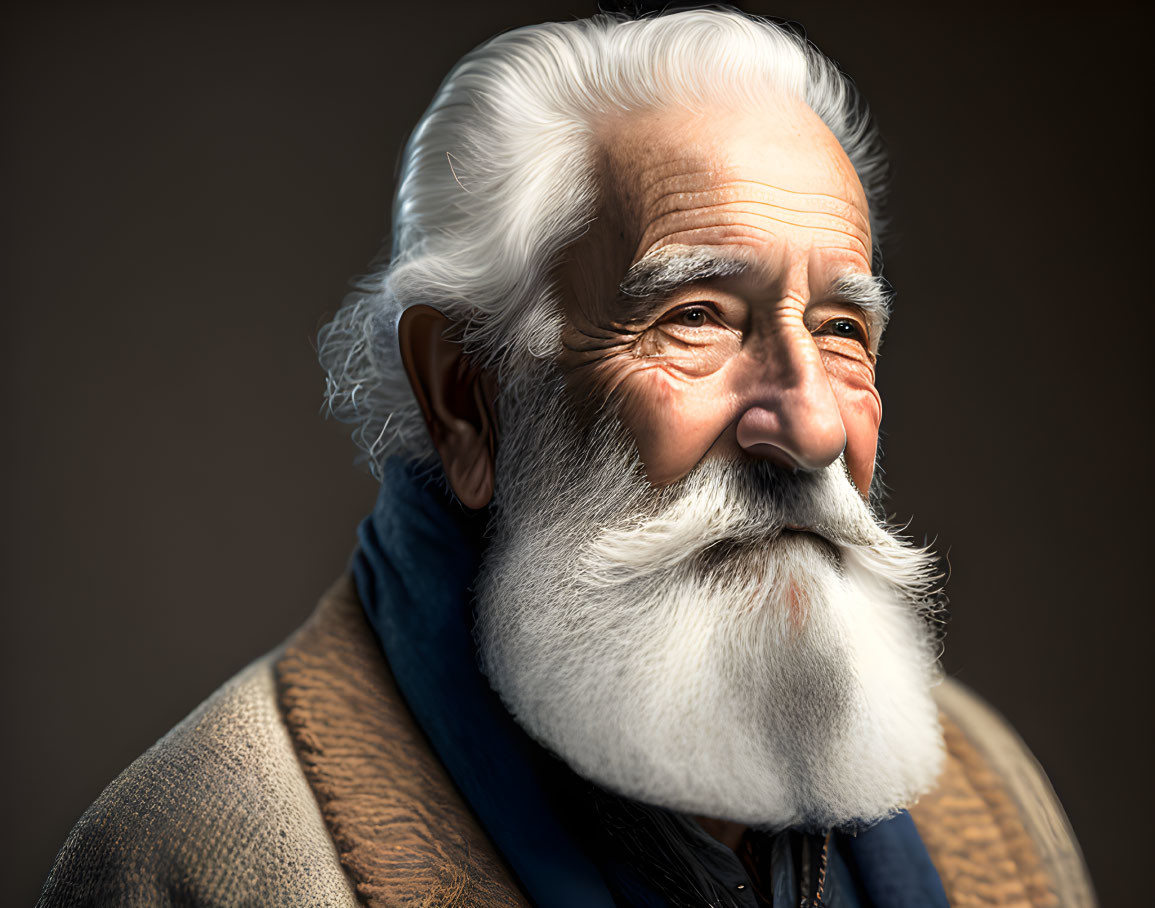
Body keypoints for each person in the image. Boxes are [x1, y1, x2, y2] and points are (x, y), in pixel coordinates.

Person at [38, 8, 1094, 907]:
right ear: (466, 394)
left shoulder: (989, 797)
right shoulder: (206, 859)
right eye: (697, 316)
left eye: (839, 329)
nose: (812, 425)